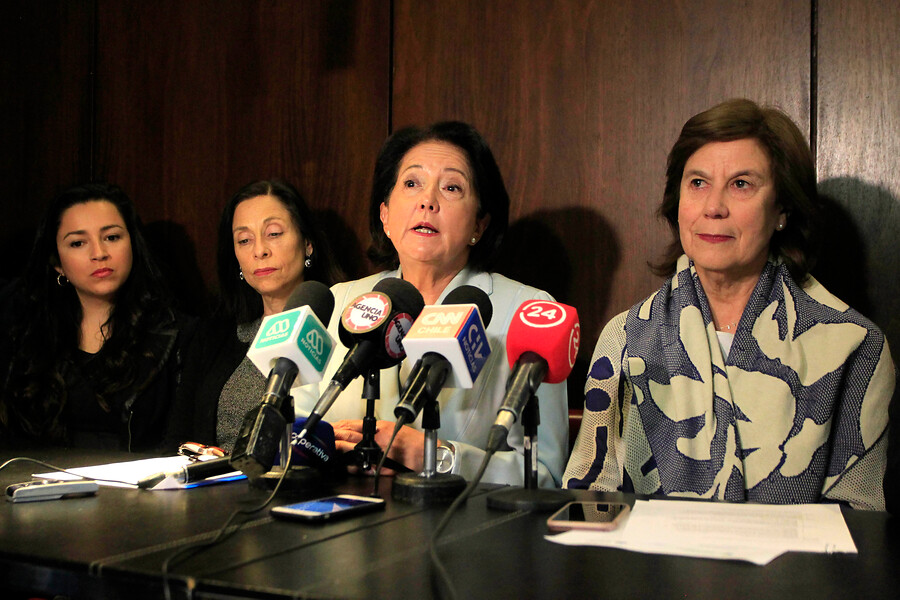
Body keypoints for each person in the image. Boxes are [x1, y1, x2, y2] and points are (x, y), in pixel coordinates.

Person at [564, 99, 895, 510]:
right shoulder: (628, 336)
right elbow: (590, 495)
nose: (713, 207)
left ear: (782, 209)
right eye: (697, 183)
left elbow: (858, 523)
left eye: (741, 184)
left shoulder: (854, 346)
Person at [299, 121, 569, 487]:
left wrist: (437, 455)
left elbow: (546, 474)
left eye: (451, 187)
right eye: (412, 183)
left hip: (461, 520)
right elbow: (294, 428)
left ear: (479, 224)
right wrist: (324, 448)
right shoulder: (338, 302)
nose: (428, 201)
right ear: (385, 215)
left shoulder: (529, 312)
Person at [0, 183, 187, 452]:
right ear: (57, 262)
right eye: (78, 243)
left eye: (111, 237)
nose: (99, 253)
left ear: (133, 244)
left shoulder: (178, 334)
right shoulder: (21, 331)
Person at [167, 179, 343, 453]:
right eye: (244, 240)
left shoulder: (342, 329)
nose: (259, 251)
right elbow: (177, 438)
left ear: (308, 243)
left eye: (273, 233)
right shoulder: (212, 337)